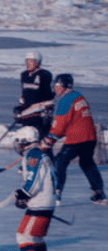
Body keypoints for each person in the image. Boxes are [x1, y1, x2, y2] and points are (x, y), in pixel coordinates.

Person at [40, 73, 105, 205]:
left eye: (57, 86)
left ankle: (56, 193)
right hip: (90, 137)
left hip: (77, 139)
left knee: (60, 162)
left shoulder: (66, 100)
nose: (55, 89)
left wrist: (48, 140)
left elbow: (60, 126)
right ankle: (98, 192)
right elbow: (75, 121)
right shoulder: (78, 96)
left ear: (64, 87)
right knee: (86, 162)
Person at [10, 127, 57, 251]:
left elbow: (34, 179)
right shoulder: (42, 154)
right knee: (36, 237)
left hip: (40, 204)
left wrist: (24, 193)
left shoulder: (34, 155)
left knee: (23, 235)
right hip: (45, 202)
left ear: (24, 142)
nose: (17, 145)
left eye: (18, 142)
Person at [14, 51, 54, 138]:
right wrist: (19, 108)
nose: (28, 64)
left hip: (39, 116)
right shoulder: (24, 75)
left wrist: (48, 112)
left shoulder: (44, 75)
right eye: (26, 61)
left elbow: (49, 97)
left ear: (38, 62)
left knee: (41, 141)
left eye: (31, 61)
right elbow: (24, 94)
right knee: (26, 140)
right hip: (26, 115)